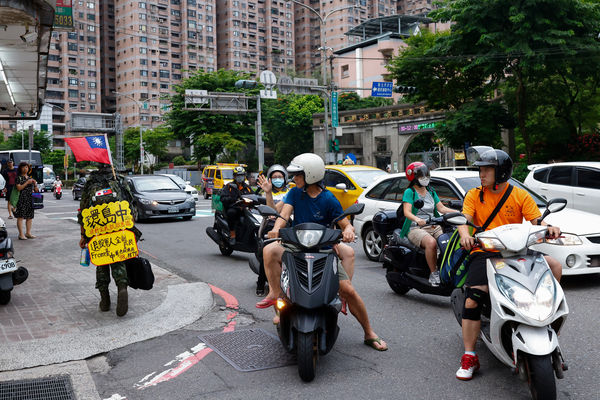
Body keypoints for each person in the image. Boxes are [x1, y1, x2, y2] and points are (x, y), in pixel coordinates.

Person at [257, 153, 388, 351]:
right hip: (297, 246)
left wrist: (349, 230)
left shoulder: (329, 199)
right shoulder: (294, 193)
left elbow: (345, 223)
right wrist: (276, 228)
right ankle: (275, 292)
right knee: (269, 250)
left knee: (348, 291)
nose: (294, 179)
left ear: (310, 175)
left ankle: (369, 332)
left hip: (324, 251)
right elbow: (284, 215)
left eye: (298, 175)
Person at [455, 149, 563, 381]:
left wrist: (549, 227)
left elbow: (537, 221)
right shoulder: (474, 195)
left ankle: (546, 322)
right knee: (474, 297)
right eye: (480, 169)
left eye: (486, 170)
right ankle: (469, 354)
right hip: (484, 250)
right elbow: (464, 221)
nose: (481, 174)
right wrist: (465, 235)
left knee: (554, 267)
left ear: (501, 172)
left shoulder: (519, 195)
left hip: (516, 251)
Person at [78, 164, 141, 317]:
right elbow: (130, 206)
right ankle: (122, 287)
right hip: (118, 227)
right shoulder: (120, 180)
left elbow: (83, 210)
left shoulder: (91, 183)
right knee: (118, 259)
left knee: (101, 262)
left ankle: (104, 299)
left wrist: (83, 235)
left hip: (97, 230)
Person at [400, 162, 456, 286]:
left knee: (448, 242)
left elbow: (441, 208)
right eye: (421, 176)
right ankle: (433, 273)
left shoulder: (431, 190)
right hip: (416, 228)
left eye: (426, 175)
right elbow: (407, 212)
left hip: (434, 225)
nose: (425, 178)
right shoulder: (410, 192)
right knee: (432, 243)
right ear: (413, 177)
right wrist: (417, 219)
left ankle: (446, 270)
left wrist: (460, 213)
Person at [255, 164, 291, 296]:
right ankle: (261, 283)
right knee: (268, 248)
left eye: (280, 177)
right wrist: (268, 192)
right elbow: (273, 212)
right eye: (274, 177)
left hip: (292, 225)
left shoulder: (291, 191)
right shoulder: (268, 191)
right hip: (272, 224)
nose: (277, 179)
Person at [220, 166, 253, 245]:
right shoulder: (229, 186)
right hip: (233, 208)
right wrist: (233, 199)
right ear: (234, 176)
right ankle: (232, 235)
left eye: (241, 175)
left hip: (245, 209)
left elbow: (253, 196)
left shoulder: (247, 187)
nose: (240, 177)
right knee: (232, 213)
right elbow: (223, 198)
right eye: (238, 175)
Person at [14, 162, 38, 240]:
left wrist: (35, 185)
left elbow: (35, 190)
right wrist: (27, 182)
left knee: (29, 217)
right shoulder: (19, 178)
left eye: (26, 167)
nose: (25, 169)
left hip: (30, 199)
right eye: (23, 167)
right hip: (21, 199)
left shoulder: (30, 178)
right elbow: (19, 188)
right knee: (20, 217)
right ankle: (21, 234)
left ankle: (28, 233)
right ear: (20, 168)